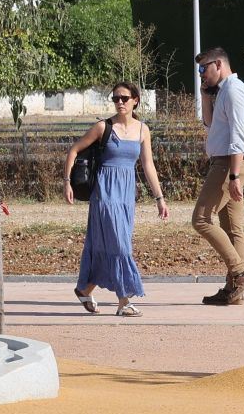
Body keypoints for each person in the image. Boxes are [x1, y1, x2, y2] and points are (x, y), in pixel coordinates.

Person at [62, 82, 169, 317]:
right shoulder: (103, 127)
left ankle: (84, 288)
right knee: (121, 247)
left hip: (126, 196)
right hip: (105, 194)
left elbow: (148, 165)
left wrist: (159, 198)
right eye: (115, 98)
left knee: (108, 246)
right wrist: (67, 182)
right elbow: (74, 150)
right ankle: (124, 301)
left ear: (135, 100)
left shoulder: (143, 130)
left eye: (124, 98)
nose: (119, 102)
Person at [193, 46, 244, 305]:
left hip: (228, 165)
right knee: (232, 229)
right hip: (228, 164)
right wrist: (204, 94)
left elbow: (239, 137)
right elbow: (209, 123)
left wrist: (233, 176)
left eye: (203, 69)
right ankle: (233, 292)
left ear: (218, 64)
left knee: (201, 219)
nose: (201, 74)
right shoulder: (223, 92)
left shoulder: (234, 91)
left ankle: (239, 273)